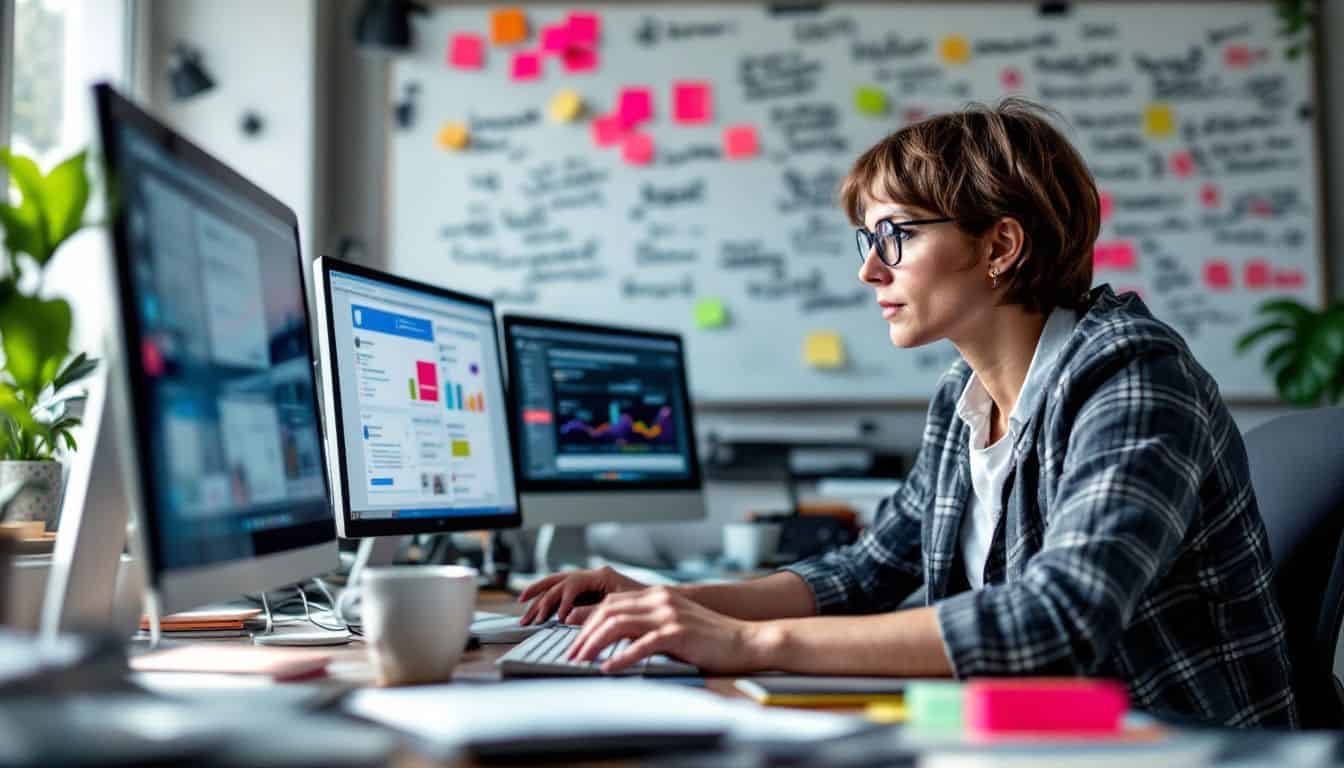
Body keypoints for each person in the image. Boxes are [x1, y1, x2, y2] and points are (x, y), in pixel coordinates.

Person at [519, 99, 1297, 728]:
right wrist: (671, 602)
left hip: (1173, 744)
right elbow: (865, 570)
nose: (868, 269)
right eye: (867, 238)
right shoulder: (963, 397)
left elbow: (1058, 617)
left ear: (1000, 246)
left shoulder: (1131, 375)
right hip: (1038, 732)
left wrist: (750, 641)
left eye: (894, 235)